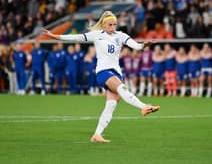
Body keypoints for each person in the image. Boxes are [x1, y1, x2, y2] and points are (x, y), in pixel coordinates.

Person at [42, 11, 160, 143]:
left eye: (114, 24)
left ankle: (97, 135)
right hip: (103, 72)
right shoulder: (97, 35)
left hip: (116, 72)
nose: (112, 27)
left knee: (111, 105)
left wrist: (145, 45)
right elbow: (75, 37)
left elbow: (137, 46)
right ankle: (143, 106)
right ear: (103, 25)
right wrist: (55, 36)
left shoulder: (120, 35)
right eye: (110, 24)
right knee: (121, 87)